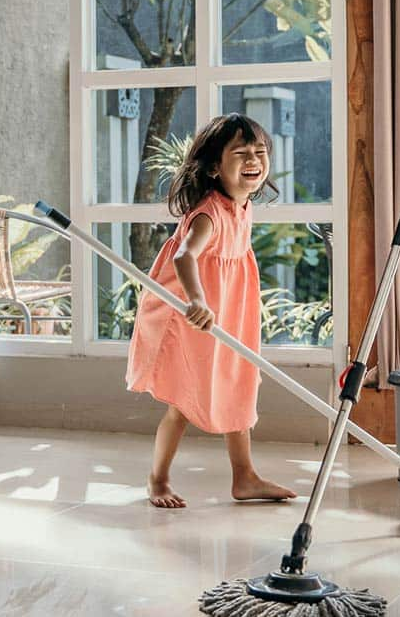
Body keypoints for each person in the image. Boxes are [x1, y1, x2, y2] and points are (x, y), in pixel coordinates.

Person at [125, 113, 298, 509]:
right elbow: (186, 257)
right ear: (216, 167)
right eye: (241, 153)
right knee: (183, 400)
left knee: (238, 386)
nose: (253, 159)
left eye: (260, 152)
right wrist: (198, 301)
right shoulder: (209, 212)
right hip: (190, 312)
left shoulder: (243, 206)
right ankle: (158, 480)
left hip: (229, 309)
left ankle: (245, 477)